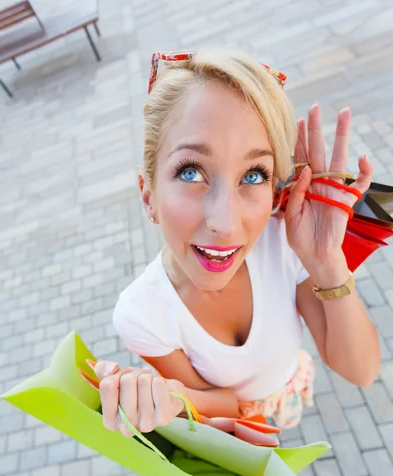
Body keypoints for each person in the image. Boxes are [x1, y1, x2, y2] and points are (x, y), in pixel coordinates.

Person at [90, 48, 381, 437]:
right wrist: (173, 397)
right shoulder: (142, 314)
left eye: (255, 175)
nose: (226, 225)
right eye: (191, 172)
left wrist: (327, 263)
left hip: (286, 396)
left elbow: (360, 371)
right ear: (148, 196)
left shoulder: (283, 244)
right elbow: (222, 405)